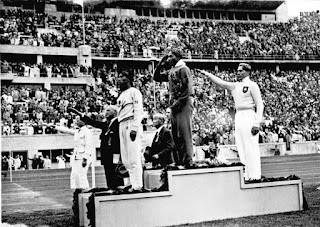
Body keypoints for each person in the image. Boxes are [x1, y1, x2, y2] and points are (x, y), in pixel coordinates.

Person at [197, 63, 264, 180]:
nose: (237, 73)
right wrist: (208, 74)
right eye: (237, 71)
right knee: (241, 146)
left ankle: (255, 175)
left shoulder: (252, 85)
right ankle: (246, 175)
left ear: (247, 72)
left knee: (250, 146)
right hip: (239, 115)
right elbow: (221, 82)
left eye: (240, 71)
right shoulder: (235, 86)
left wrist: (257, 122)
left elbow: (259, 104)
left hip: (249, 114)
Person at [154, 48, 194, 167]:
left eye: (171, 56)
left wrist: (179, 101)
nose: (169, 58)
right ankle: (179, 161)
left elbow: (188, 88)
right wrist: (160, 64)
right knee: (176, 135)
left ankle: (188, 161)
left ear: (178, 57)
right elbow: (156, 77)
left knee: (184, 133)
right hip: (175, 105)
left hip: (183, 103)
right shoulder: (172, 70)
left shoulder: (183, 69)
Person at [69, 106, 124, 191]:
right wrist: (79, 113)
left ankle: (118, 191)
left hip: (114, 153)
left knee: (116, 172)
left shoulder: (118, 123)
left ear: (115, 112)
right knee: (108, 172)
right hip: (106, 154)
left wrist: (118, 157)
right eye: (106, 110)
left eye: (109, 110)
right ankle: (111, 189)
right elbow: (93, 123)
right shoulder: (106, 124)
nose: (106, 112)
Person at [117, 69, 144, 192]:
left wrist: (135, 127)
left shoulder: (134, 92)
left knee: (134, 157)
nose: (120, 79)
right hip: (122, 123)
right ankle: (132, 183)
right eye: (119, 76)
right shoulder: (121, 95)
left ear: (129, 79)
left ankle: (138, 185)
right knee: (126, 159)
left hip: (131, 122)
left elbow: (138, 110)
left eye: (123, 76)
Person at [53, 116, 93, 190]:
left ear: (84, 122)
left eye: (79, 120)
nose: (77, 121)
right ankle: (77, 192)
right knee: (74, 175)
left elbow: (88, 146)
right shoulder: (78, 131)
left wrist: (85, 158)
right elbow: (67, 130)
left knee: (82, 176)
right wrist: (55, 126)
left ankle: (85, 192)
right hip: (76, 156)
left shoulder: (87, 131)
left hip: (82, 157)